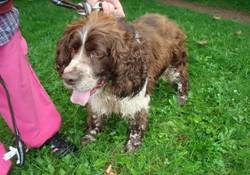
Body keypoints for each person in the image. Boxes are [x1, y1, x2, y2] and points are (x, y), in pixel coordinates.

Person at [0, 0, 124, 174]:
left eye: (95, 52)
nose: (68, 72)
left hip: (2, 23)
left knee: (17, 83)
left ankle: (41, 133)